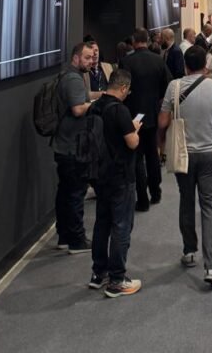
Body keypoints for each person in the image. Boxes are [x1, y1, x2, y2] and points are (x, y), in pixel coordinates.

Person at [158, 46, 212, 287]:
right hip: (210, 152)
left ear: (185, 65)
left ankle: (189, 250)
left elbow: (163, 121)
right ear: (205, 66)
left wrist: (161, 145)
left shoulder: (174, 87)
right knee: (210, 206)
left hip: (183, 154)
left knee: (186, 200)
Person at [88, 68, 143, 297]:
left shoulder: (95, 107)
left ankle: (98, 273)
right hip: (120, 176)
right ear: (123, 88)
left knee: (102, 223)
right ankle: (117, 279)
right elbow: (131, 143)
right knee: (121, 226)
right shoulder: (120, 110)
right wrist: (135, 129)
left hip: (99, 175)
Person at [52, 41, 99, 253]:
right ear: (76, 57)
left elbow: (83, 97)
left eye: (93, 57)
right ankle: (77, 241)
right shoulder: (73, 78)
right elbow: (78, 108)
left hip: (66, 146)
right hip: (72, 147)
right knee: (75, 194)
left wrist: (103, 95)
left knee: (66, 193)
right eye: (88, 58)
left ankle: (64, 236)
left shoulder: (70, 76)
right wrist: (98, 105)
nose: (92, 61)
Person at [125, 28, 171, 212]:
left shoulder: (126, 62)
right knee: (152, 154)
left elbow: (123, 89)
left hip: (134, 116)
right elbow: (166, 87)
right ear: (146, 40)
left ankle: (142, 199)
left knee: (137, 158)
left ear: (134, 41)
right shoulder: (158, 60)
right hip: (152, 114)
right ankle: (156, 191)